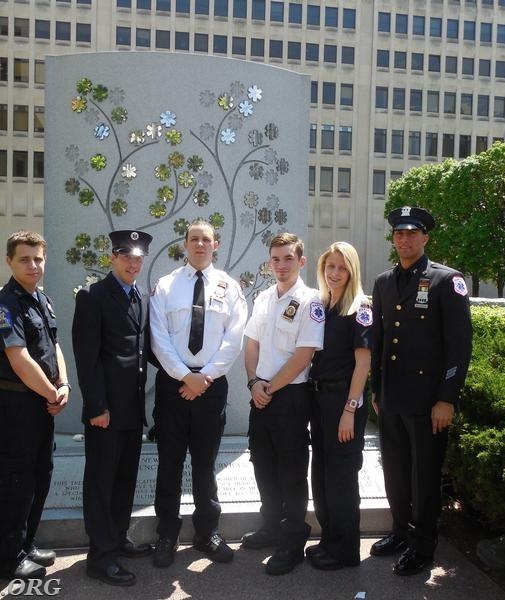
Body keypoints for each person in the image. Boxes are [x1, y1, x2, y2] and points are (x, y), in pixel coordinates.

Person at [369, 206, 473, 576]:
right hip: (393, 397)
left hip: (429, 401)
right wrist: (376, 391)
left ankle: (423, 546)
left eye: (412, 233)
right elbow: (379, 341)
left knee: (424, 477)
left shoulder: (447, 281)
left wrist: (447, 398)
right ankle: (400, 532)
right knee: (395, 472)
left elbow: (459, 346)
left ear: (426, 237)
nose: (405, 239)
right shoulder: (383, 282)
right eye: (399, 233)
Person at [149, 219, 247, 568]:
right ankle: (166, 535)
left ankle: (207, 533)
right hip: (172, 385)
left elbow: (234, 338)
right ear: (185, 244)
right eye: (194, 239)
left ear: (215, 245)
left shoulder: (230, 287)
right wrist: (183, 376)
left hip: (211, 386)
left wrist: (203, 377)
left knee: (206, 465)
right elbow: (157, 337)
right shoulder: (165, 285)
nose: (201, 245)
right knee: (170, 463)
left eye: (207, 239)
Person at [0, 230, 69, 580]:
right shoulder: (4, 305)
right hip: (15, 409)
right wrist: (52, 394)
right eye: (24, 259)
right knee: (13, 483)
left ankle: (25, 544)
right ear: (9, 261)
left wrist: (62, 384)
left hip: (40, 407)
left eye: (38, 259)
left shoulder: (42, 300)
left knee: (37, 479)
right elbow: (19, 360)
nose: (33, 265)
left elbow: (54, 347)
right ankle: (6, 561)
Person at [71, 229, 154, 587]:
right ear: (113, 258)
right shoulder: (93, 296)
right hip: (105, 412)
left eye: (138, 258)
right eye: (126, 256)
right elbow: (86, 359)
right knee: (101, 484)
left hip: (132, 410)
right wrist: (96, 406)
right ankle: (100, 557)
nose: (132, 263)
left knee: (123, 481)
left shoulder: (138, 296)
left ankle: (117, 539)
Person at [241, 232, 325, 576]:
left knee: (291, 471)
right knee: (263, 464)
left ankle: (293, 540)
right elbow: (251, 344)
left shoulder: (312, 301)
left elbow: (303, 356)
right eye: (275, 259)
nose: (281, 265)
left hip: (290, 396)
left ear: (301, 261)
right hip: (260, 394)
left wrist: (268, 388)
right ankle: (271, 526)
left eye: (288, 258)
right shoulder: (263, 298)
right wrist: (253, 384)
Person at [306, 242, 372, 571]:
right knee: (322, 473)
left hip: (344, 402)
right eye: (330, 267)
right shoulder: (324, 305)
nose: (334, 273)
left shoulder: (360, 308)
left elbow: (363, 366)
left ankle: (346, 551)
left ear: (352, 271)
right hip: (320, 400)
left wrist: (349, 410)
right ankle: (330, 539)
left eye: (341, 268)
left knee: (342, 477)